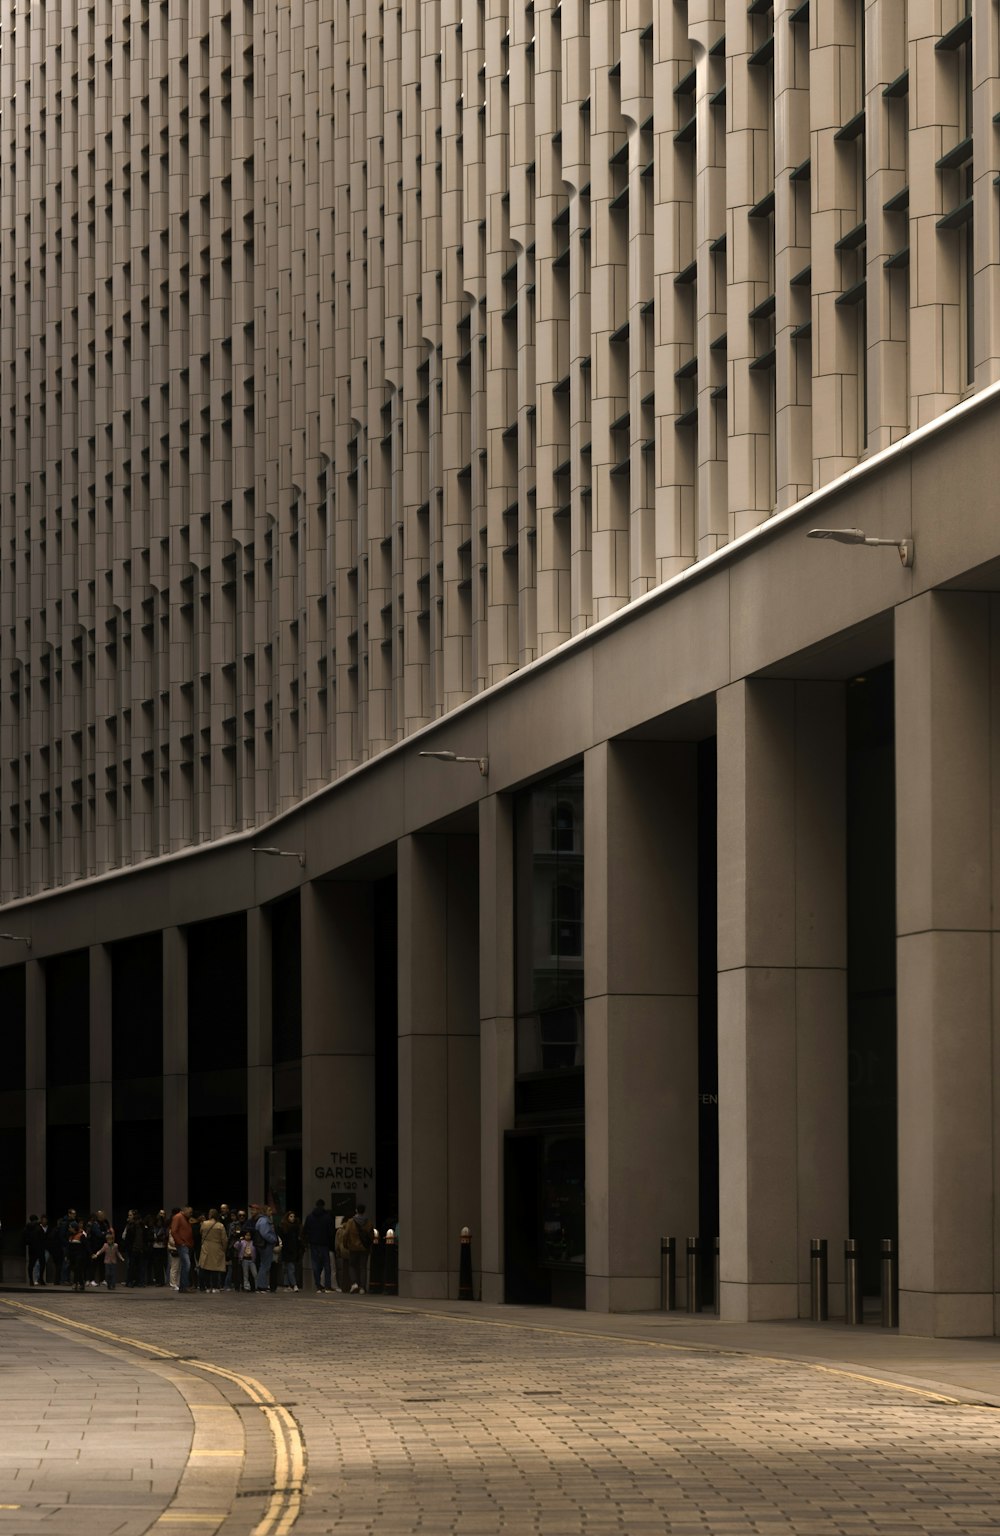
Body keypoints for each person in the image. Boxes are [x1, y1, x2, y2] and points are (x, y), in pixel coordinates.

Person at [303, 1199, 334, 1293]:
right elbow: (331, 1232)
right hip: (324, 1244)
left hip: (313, 1244)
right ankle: (327, 1285)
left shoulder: (310, 1217)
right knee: (327, 1265)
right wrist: (331, 1244)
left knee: (315, 1264)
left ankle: (318, 1285)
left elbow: (305, 1231)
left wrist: (308, 1240)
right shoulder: (327, 1217)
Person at [344, 1203, 374, 1294]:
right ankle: (362, 1287)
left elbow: (346, 1235)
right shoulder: (368, 1222)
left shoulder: (350, 1222)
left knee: (352, 1265)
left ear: (356, 1210)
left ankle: (354, 1283)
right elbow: (371, 1236)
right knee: (363, 1267)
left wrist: (346, 1245)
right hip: (364, 1248)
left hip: (353, 1247)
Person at [198, 1208, 228, 1292]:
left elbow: (201, 1233)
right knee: (215, 1268)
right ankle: (215, 1287)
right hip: (217, 1247)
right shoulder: (220, 1225)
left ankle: (207, 1287)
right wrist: (224, 1249)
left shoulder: (204, 1223)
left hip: (206, 1246)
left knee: (205, 1267)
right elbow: (224, 1239)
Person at [170, 1205, 195, 1293]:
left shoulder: (184, 1218)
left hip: (186, 1245)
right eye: (190, 1212)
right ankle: (184, 1286)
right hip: (183, 1245)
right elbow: (173, 1231)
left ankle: (183, 1286)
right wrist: (181, 1242)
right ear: (185, 1210)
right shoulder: (178, 1217)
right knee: (186, 1265)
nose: (191, 1214)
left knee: (186, 1265)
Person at [252, 1204, 278, 1292]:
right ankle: (261, 1285)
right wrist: (273, 1239)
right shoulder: (264, 1221)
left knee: (264, 1265)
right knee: (265, 1265)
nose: (271, 1212)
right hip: (266, 1245)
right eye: (269, 1210)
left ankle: (262, 1284)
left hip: (263, 1245)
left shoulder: (261, 1220)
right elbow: (265, 1233)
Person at [278, 1211, 302, 1291]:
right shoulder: (284, 1227)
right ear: (287, 1217)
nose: (293, 1218)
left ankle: (288, 1285)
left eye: (293, 1216)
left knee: (289, 1268)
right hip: (286, 1250)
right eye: (291, 1216)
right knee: (288, 1268)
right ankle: (292, 1285)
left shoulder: (294, 1227)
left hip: (291, 1250)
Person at [22, 1215, 46, 1286]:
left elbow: (24, 1237)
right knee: (42, 1263)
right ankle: (41, 1279)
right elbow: (43, 1238)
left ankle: (31, 1280)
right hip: (40, 1248)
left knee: (31, 1265)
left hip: (32, 1248)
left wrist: (28, 1243)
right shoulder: (39, 1227)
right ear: (36, 1219)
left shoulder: (27, 1228)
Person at [66, 1216, 88, 1292]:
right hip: (72, 1256)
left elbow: (86, 1246)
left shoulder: (81, 1236)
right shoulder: (70, 1237)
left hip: (79, 1256)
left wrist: (91, 1254)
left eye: (70, 1227)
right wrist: (67, 1256)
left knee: (77, 1269)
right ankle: (81, 1283)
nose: (69, 1229)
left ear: (74, 1228)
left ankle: (76, 1283)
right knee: (76, 1270)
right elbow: (68, 1248)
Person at [236, 1227, 257, 1292]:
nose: (248, 1236)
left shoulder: (253, 1242)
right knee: (246, 1274)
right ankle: (246, 1287)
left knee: (255, 1274)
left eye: (249, 1235)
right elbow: (236, 1246)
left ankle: (256, 1286)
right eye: (246, 1235)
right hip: (244, 1259)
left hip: (251, 1259)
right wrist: (239, 1241)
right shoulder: (242, 1242)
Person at [151, 1211, 169, 1286]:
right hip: (155, 1247)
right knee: (157, 1265)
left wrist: (162, 1238)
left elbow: (166, 1236)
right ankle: (159, 1281)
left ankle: (165, 1281)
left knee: (164, 1264)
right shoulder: (154, 1228)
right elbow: (151, 1237)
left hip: (163, 1247)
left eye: (160, 1221)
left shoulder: (164, 1228)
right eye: (157, 1221)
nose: (159, 1223)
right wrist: (154, 1238)